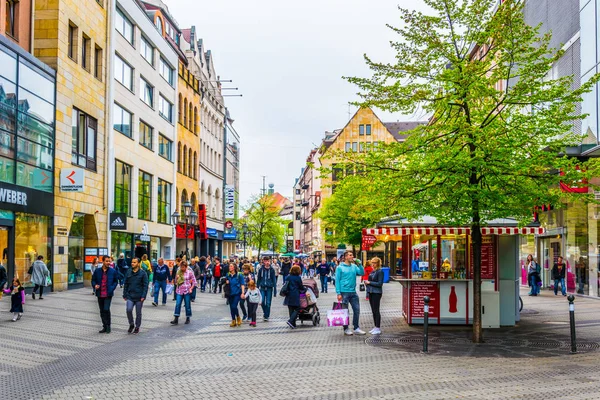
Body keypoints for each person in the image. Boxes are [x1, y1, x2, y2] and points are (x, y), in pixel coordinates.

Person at [335, 250, 366, 336]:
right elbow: (337, 280)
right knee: (345, 311)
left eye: (352, 255)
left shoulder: (354, 266)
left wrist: (359, 264)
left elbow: (362, 273)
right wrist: (338, 293)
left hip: (353, 292)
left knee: (357, 310)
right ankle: (346, 328)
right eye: (350, 255)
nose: (352, 257)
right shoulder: (340, 268)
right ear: (345, 257)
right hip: (344, 292)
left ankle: (356, 328)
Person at [92, 256, 119, 333]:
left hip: (108, 293)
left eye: (109, 261)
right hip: (100, 293)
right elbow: (93, 280)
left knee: (106, 309)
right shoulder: (97, 271)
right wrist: (95, 285)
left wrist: (112, 288)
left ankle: (108, 325)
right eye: (106, 261)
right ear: (103, 261)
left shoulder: (112, 271)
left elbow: (115, 281)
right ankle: (104, 325)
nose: (108, 263)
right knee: (101, 311)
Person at [123, 258, 148, 334]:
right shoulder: (129, 272)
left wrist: (143, 296)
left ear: (138, 263)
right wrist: (125, 294)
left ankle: (137, 327)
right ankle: (131, 324)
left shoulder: (143, 273)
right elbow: (126, 284)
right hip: (130, 296)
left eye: (134, 262)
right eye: (132, 262)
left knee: (138, 313)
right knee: (129, 310)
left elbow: (145, 285)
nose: (132, 264)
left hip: (139, 297)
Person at [171, 260, 197, 325]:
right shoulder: (178, 272)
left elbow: (194, 282)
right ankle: (176, 318)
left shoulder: (190, 272)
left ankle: (188, 317)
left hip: (187, 290)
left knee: (187, 305)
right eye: (181, 267)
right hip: (179, 290)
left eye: (183, 267)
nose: (182, 268)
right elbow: (176, 282)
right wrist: (176, 278)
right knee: (178, 304)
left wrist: (191, 288)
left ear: (186, 267)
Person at [364, 257, 384, 335]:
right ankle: (375, 326)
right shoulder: (373, 271)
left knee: (376, 310)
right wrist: (367, 283)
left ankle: (378, 327)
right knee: (373, 310)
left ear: (378, 263)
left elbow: (380, 284)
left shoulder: (380, 271)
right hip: (371, 292)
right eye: (372, 262)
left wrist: (369, 283)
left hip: (376, 293)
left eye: (375, 262)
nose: (373, 264)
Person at [284, 265, 305, 329]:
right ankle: (290, 321)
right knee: (297, 308)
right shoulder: (298, 278)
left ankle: (293, 324)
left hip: (288, 294)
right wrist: (305, 290)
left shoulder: (288, 277)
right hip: (295, 294)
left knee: (291, 309)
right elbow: (301, 287)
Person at [257, 256, 277, 322]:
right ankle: (265, 312)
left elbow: (274, 280)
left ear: (270, 261)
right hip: (262, 287)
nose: (267, 262)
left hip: (269, 288)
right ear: (263, 262)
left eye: (268, 261)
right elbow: (258, 279)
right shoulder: (261, 269)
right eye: (265, 261)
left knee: (268, 302)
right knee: (262, 301)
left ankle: (266, 316)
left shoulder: (272, 270)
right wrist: (257, 288)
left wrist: (275, 290)